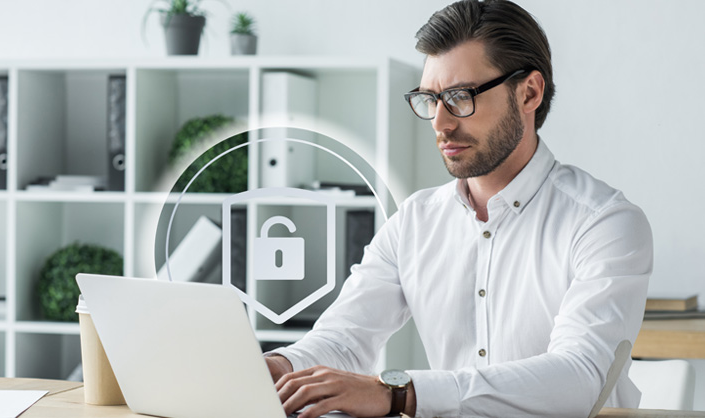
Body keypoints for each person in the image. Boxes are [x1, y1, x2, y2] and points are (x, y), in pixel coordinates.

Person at [265, 1, 653, 417]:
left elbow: (578, 379)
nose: (440, 123)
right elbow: (344, 339)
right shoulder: (414, 222)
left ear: (529, 92)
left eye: (459, 97)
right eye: (431, 99)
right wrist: (275, 368)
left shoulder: (604, 223)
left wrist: (398, 394)